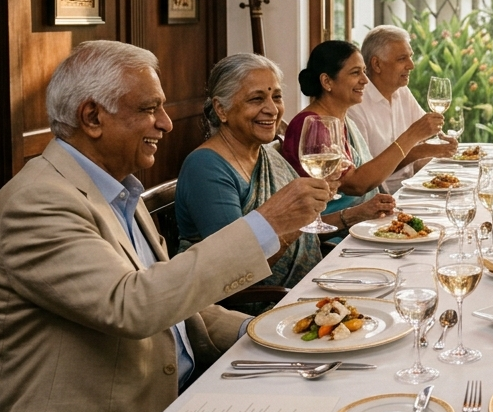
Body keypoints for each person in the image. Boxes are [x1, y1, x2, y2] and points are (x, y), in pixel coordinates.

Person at [0, 41, 332, 412]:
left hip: (175, 400)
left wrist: (269, 332)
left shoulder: (117, 188)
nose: (165, 123)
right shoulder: (37, 202)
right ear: (92, 117)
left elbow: (177, 305)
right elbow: (133, 306)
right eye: (149, 109)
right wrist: (267, 224)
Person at [175, 53, 348, 287]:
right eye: (256, 99)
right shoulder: (205, 167)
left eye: (276, 97)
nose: (272, 109)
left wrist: (352, 215)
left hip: (302, 287)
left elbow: (301, 231)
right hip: (261, 302)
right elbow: (234, 270)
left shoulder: (266, 153)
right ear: (221, 109)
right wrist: (299, 217)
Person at [281, 40, 426, 222]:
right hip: (332, 230)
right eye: (355, 73)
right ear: (327, 81)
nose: (365, 80)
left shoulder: (342, 121)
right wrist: (411, 136)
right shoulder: (312, 125)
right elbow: (356, 185)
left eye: (364, 71)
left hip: (361, 222)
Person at [345, 25, 457, 192]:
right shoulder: (356, 105)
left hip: (412, 187)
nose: (411, 65)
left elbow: (424, 137)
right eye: (402, 59)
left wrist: (440, 145)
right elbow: (364, 175)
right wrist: (418, 151)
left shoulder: (402, 92)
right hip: (383, 196)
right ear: (376, 64)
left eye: (410, 57)